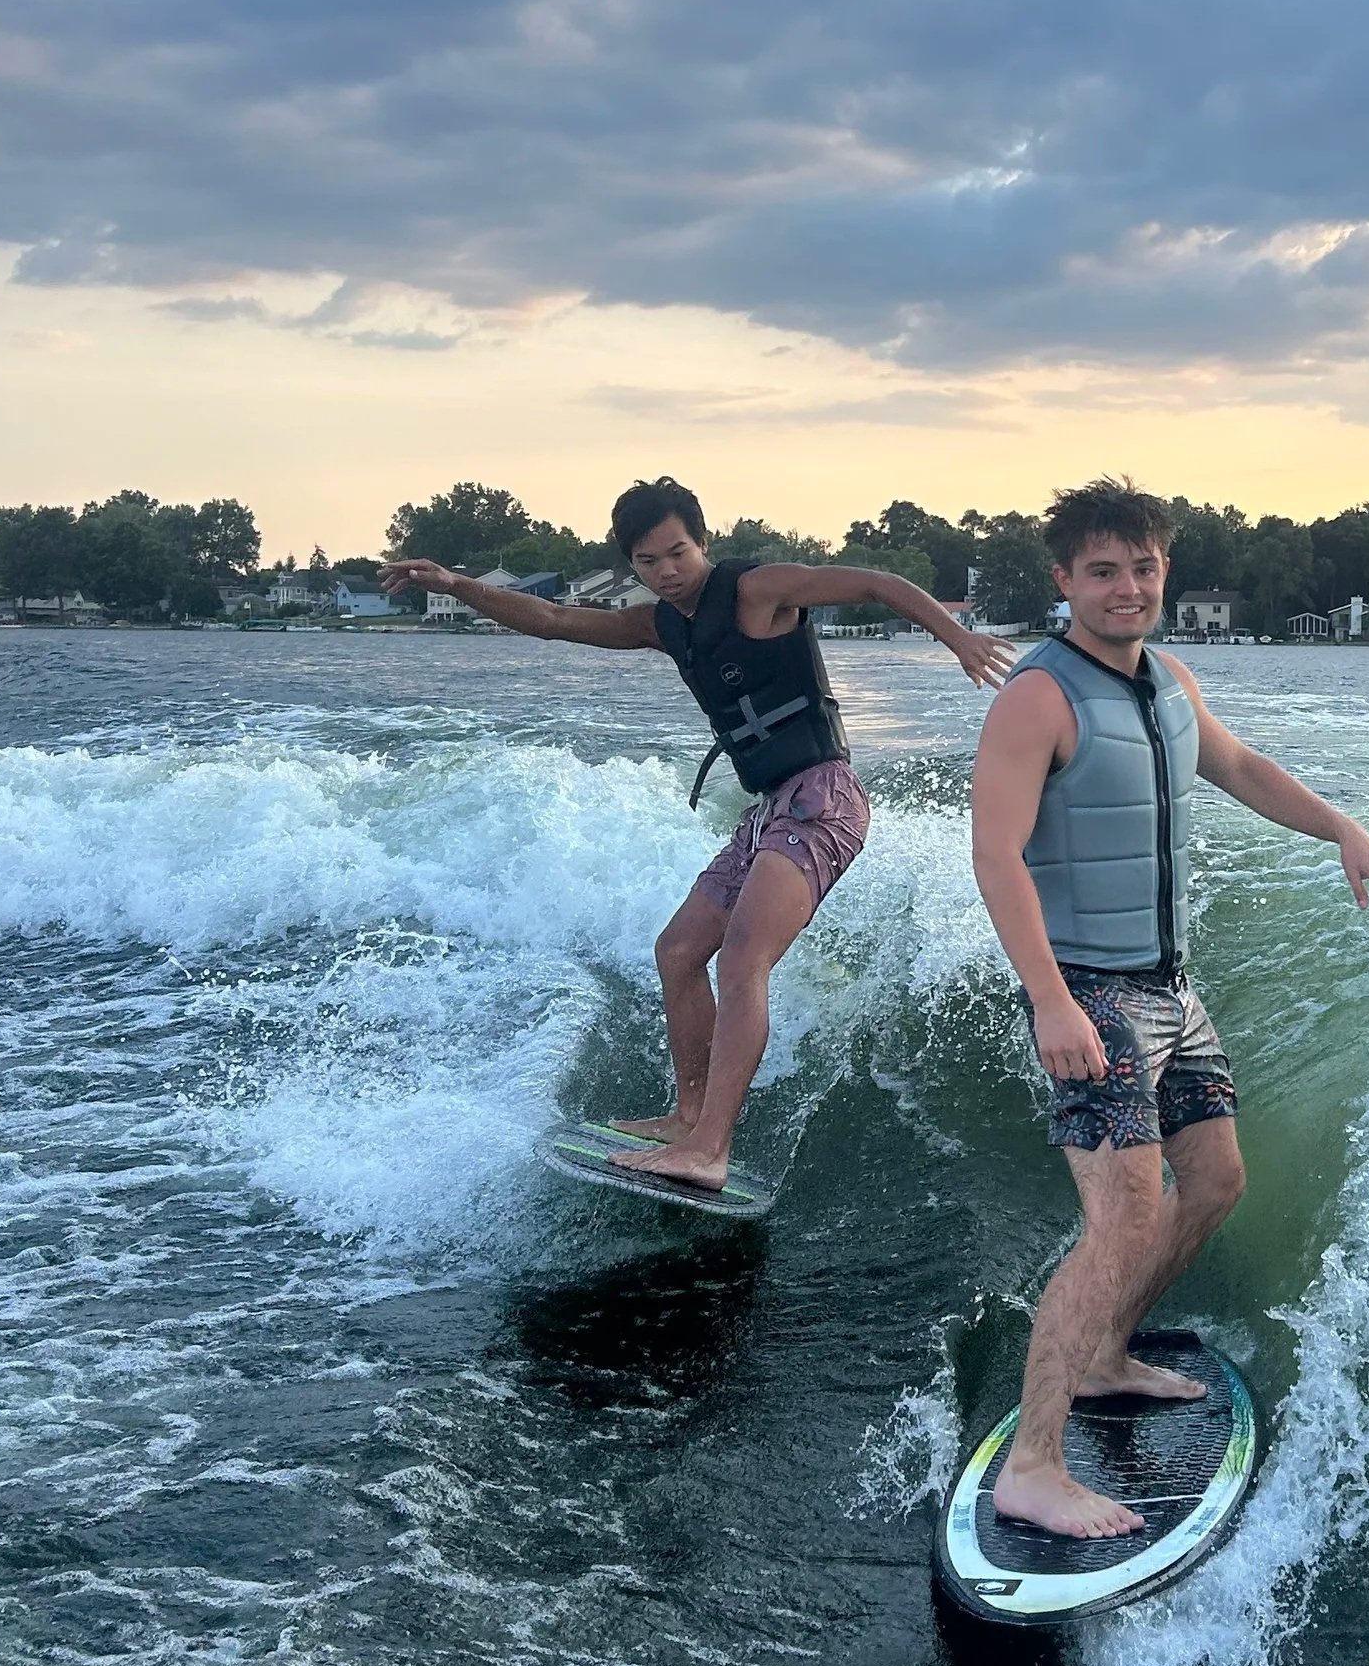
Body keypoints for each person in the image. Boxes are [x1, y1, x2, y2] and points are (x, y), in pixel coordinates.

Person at [968, 478, 1369, 1538]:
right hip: (1093, 993)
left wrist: (1341, 824)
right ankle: (1032, 1462)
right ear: (1064, 581)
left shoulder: (1170, 681)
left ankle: (1109, 1350)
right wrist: (1051, 1000)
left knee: (1213, 1181)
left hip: (1172, 987)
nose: (1128, 587)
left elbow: (1243, 766)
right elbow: (995, 854)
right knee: (1120, 1214)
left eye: (1145, 567)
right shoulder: (1038, 695)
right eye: (1104, 571)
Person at [381, 482, 1014, 1188]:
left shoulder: (759, 589)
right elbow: (554, 617)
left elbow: (875, 581)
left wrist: (957, 638)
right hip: (773, 808)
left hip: (823, 799)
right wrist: (457, 586)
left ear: (701, 543)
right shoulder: (661, 624)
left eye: (678, 552)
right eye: (649, 561)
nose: (668, 571)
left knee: (741, 960)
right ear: (634, 566)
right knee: (679, 950)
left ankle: (709, 1147)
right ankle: (688, 1117)